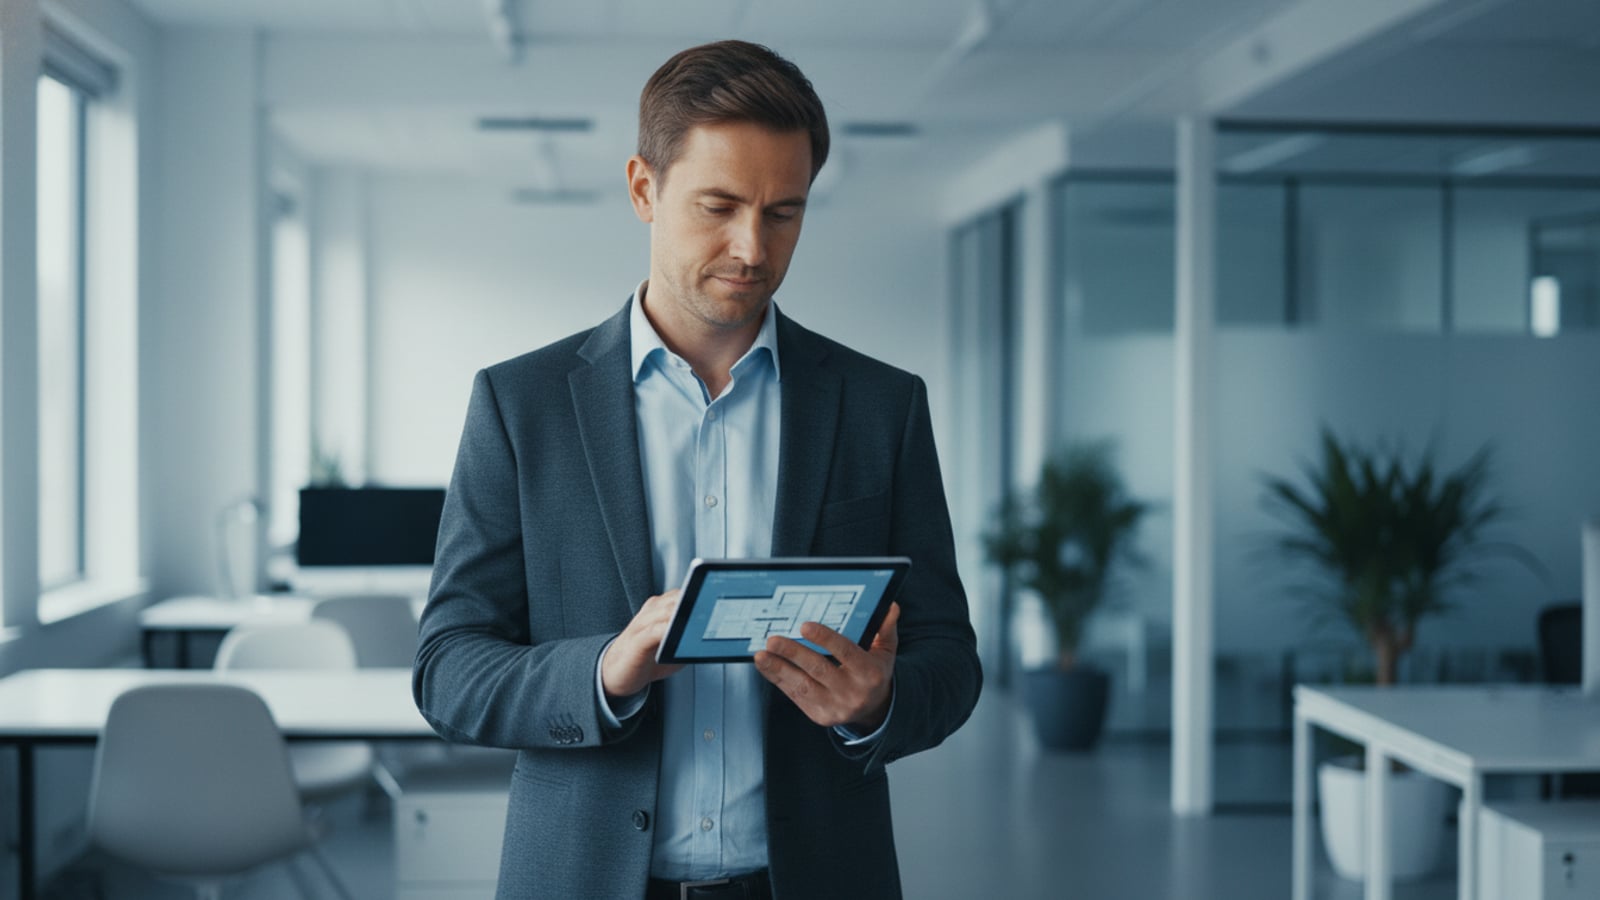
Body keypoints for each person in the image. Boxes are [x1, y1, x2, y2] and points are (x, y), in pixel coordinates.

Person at [413, 39, 981, 900]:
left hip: (816, 875)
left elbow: (950, 657)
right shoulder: (520, 405)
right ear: (644, 188)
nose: (752, 247)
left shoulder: (880, 406)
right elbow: (448, 668)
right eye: (718, 206)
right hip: (584, 876)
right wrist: (603, 671)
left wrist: (877, 702)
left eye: (783, 212)